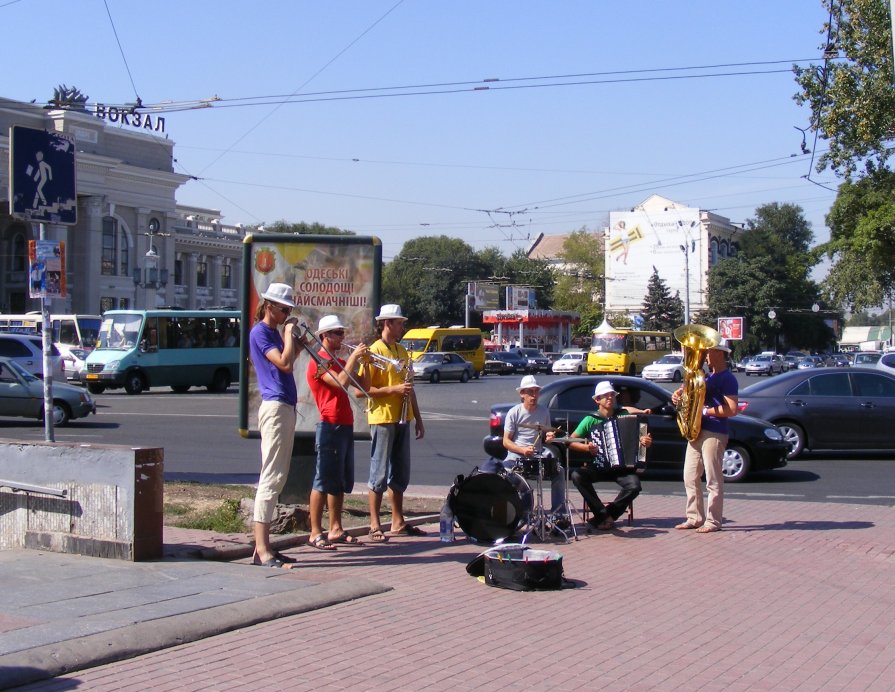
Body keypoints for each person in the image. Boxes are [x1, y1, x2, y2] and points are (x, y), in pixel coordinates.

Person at [305, 314, 369, 550]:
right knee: (322, 481)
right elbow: (341, 382)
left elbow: (363, 385)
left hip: (345, 425)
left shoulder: (339, 361)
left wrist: (366, 362)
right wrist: (353, 356)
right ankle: (314, 532)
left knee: (340, 481)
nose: (342, 337)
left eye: (342, 332)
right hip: (329, 426)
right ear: (324, 336)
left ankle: (335, 528)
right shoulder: (318, 363)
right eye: (338, 333)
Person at [248, 282, 300, 568]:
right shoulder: (261, 332)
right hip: (275, 407)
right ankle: (262, 548)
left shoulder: (273, 333)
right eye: (284, 309)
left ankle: (263, 547)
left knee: (278, 477)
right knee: (270, 477)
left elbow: (289, 359)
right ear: (270, 306)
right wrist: (289, 334)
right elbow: (283, 364)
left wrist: (297, 343)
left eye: (289, 309)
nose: (287, 314)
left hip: (286, 406)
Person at [364, 304, 425, 543]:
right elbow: (366, 390)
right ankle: (374, 523)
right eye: (399, 323)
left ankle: (397, 521)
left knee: (400, 470)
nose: (403, 327)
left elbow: (410, 388)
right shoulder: (373, 351)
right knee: (379, 470)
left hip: (403, 416)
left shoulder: (401, 350)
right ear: (387, 323)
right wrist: (393, 389)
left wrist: (418, 418)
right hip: (382, 416)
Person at [671, 338, 738, 533]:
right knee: (689, 476)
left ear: (719, 353)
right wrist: (678, 395)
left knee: (713, 479)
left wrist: (706, 412)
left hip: (714, 431)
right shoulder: (705, 377)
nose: (705, 356)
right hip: (697, 431)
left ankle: (713, 521)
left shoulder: (727, 378)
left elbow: (732, 409)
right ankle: (694, 517)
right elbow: (690, 397)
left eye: (708, 352)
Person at [568, 381, 652, 530]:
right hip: (599, 466)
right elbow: (570, 441)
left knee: (635, 486)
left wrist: (645, 441)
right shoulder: (590, 419)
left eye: (612, 395)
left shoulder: (623, 415)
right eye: (605, 396)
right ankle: (602, 514)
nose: (609, 398)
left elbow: (640, 439)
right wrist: (587, 448)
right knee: (577, 476)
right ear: (597, 400)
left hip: (622, 468)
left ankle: (608, 515)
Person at [502, 375, 568, 526]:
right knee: (505, 471)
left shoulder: (544, 411)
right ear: (522, 394)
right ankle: (517, 516)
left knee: (559, 471)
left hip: (537, 453)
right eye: (530, 392)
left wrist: (549, 436)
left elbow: (545, 435)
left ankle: (558, 515)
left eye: (536, 392)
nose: (533, 395)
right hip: (517, 454)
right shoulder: (514, 412)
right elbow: (506, 441)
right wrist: (522, 450)